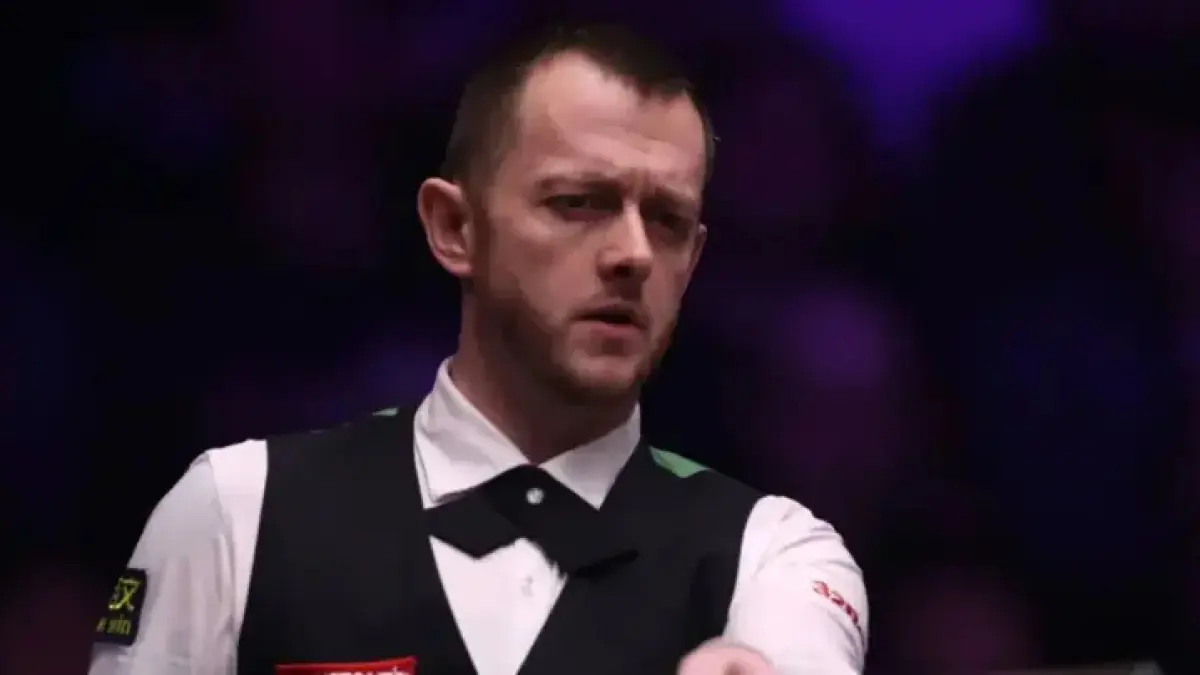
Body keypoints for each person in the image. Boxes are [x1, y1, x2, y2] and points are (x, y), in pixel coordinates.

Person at [88, 23, 868, 675]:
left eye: (666, 220)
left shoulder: (774, 553)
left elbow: (794, 653)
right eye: (579, 202)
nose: (633, 253)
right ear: (454, 228)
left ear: (693, 260)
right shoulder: (235, 508)